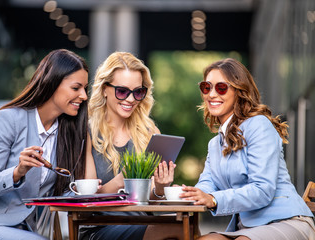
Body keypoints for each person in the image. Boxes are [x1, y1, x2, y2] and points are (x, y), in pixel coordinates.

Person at [0, 49, 89, 239]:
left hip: (22, 231)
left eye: (85, 88)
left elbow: (60, 194)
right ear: (52, 83)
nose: (83, 96)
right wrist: (17, 172)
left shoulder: (66, 133)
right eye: (76, 88)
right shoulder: (7, 119)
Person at [180, 58, 315, 240]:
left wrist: (213, 199)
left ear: (239, 91)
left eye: (221, 87)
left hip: (285, 221)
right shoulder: (215, 144)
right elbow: (207, 183)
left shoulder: (258, 125)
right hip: (246, 229)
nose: (211, 94)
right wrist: (190, 194)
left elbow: (262, 189)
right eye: (206, 87)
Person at [82, 52, 183, 240]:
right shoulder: (87, 131)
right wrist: (123, 179)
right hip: (99, 228)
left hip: (142, 224)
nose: (130, 99)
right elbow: (88, 200)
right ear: (104, 89)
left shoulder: (150, 132)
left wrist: (160, 188)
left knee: (184, 224)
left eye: (138, 92)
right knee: (177, 229)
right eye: (122, 91)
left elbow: (151, 205)